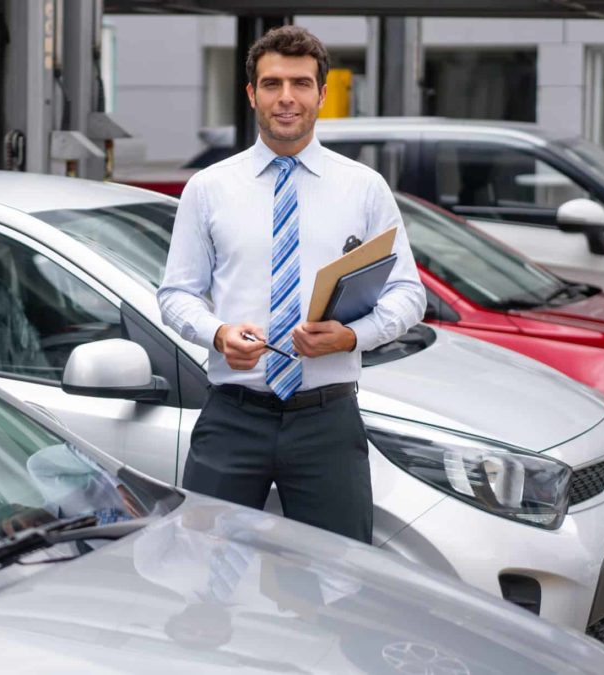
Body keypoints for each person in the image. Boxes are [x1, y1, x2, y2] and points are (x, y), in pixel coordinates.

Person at [157, 26, 425, 544]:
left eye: (301, 84)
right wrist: (217, 334)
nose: (286, 98)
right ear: (251, 93)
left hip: (327, 420)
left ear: (322, 94)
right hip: (234, 416)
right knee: (206, 571)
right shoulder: (209, 188)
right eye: (272, 83)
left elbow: (408, 294)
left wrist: (352, 337)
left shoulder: (364, 188)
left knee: (339, 578)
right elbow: (176, 295)